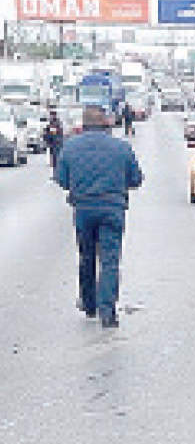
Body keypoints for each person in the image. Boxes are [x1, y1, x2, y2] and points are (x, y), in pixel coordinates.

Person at [54, 105, 144, 329]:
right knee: (110, 260)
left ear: (83, 126)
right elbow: (136, 179)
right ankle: (108, 311)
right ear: (106, 124)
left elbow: (61, 179)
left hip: (84, 209)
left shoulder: (71, 147)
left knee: (86, 256)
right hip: (112, 208)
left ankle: (89, 302)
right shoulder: (121, 148)